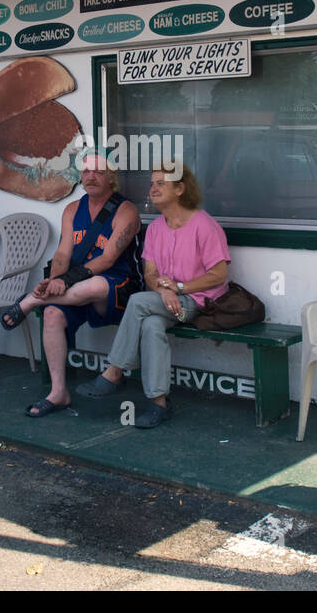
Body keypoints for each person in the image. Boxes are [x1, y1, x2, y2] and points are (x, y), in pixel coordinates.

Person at [76, 164, 229, 428]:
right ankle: (159, 403)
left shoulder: (204, 225)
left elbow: (218, 275)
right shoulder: (157, 227)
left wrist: (178, 288)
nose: (153, 189)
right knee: (151, 324)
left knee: (137, 302)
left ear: (180, 189)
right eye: (152, 183)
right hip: (164, 302)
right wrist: (163, 290)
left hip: (200, 302)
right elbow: (150, 274)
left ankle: (114, 371)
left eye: (161, 183)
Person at [0, 150, 142, 417]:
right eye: (86, 171)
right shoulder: (72, 209)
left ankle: (28, 302)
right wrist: (52, 282)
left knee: (95, 285)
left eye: (99, 172)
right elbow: (63, 253)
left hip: (117, 289)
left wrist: (61, 283)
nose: (91, 177)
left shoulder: (126, 210)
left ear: (111, 177)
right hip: (71, 288)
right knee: (52, 314)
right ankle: (58, 392)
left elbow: (108, 259)